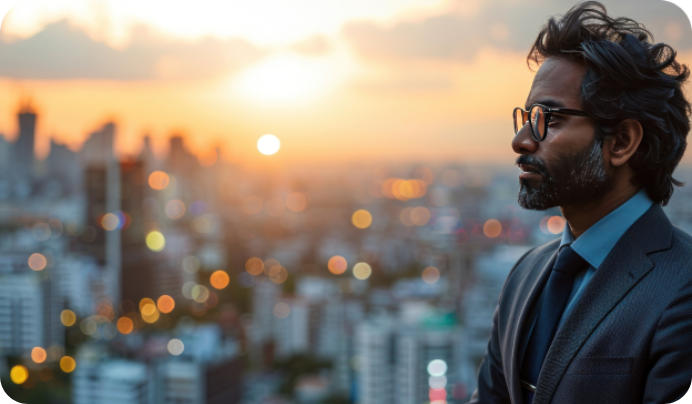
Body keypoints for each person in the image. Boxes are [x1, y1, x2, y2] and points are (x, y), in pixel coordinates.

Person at [467, 2, 692, 403]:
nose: (521, 141)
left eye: (549, 120)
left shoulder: (682, 287)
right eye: (527, 116)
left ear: (622, 142)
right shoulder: (525, 274)